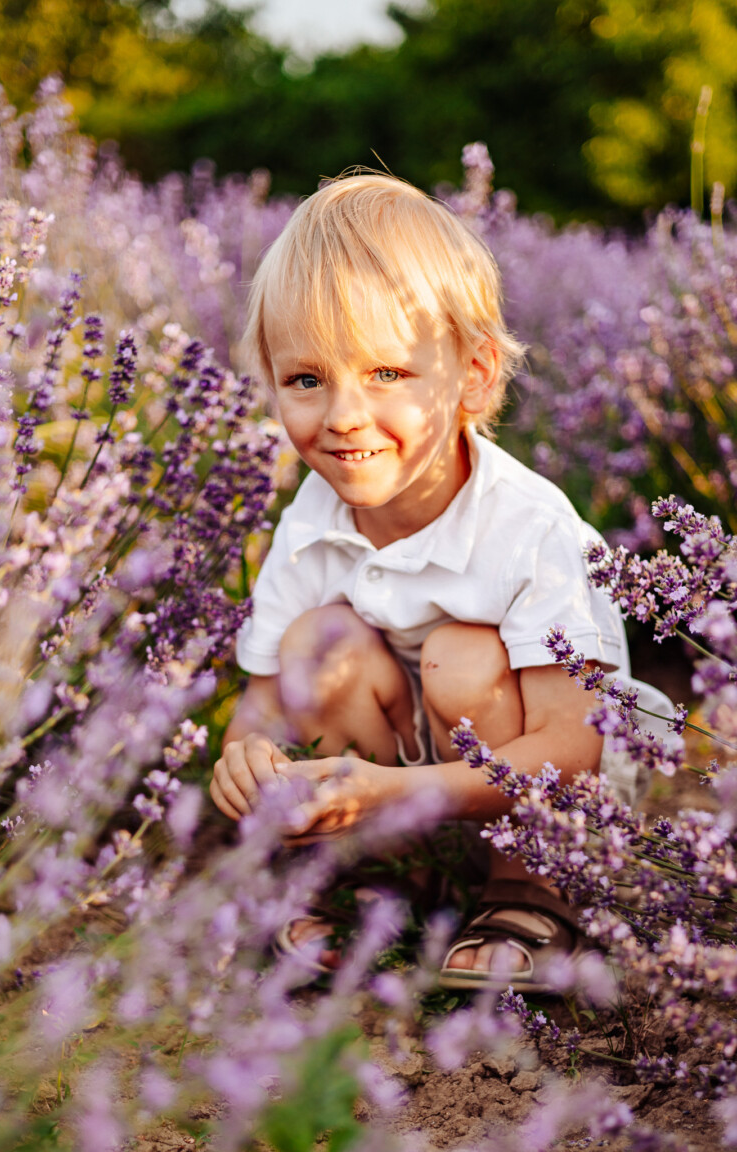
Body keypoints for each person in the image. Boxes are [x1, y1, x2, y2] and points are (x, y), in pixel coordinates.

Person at [209, 172, 673, 991]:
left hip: (556, 792)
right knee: (319, 644)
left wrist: (386, 788)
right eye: (307, 379)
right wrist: (246, 760)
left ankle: (535, 888)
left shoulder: (530, 528)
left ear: (474, 375)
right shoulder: (310, 520)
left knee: (463, 654)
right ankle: (383, 880)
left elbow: (574, 749)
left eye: (386, 373)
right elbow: (263, 707)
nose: (344, 414)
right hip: (404, 786)